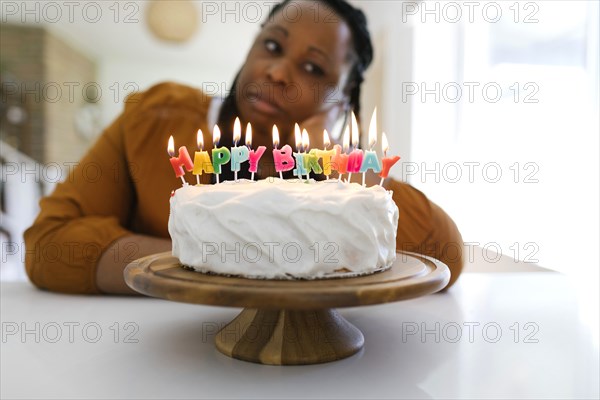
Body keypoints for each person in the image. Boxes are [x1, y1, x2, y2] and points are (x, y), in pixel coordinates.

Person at [24, 0, 464, 295]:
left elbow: (443, 255)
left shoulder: (339, 173)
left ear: (342, 100)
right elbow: (48, 244)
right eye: (271, 45)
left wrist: (330, 157)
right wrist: (214, 258)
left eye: (313, 67)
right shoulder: (154, 119)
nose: (276, 71)